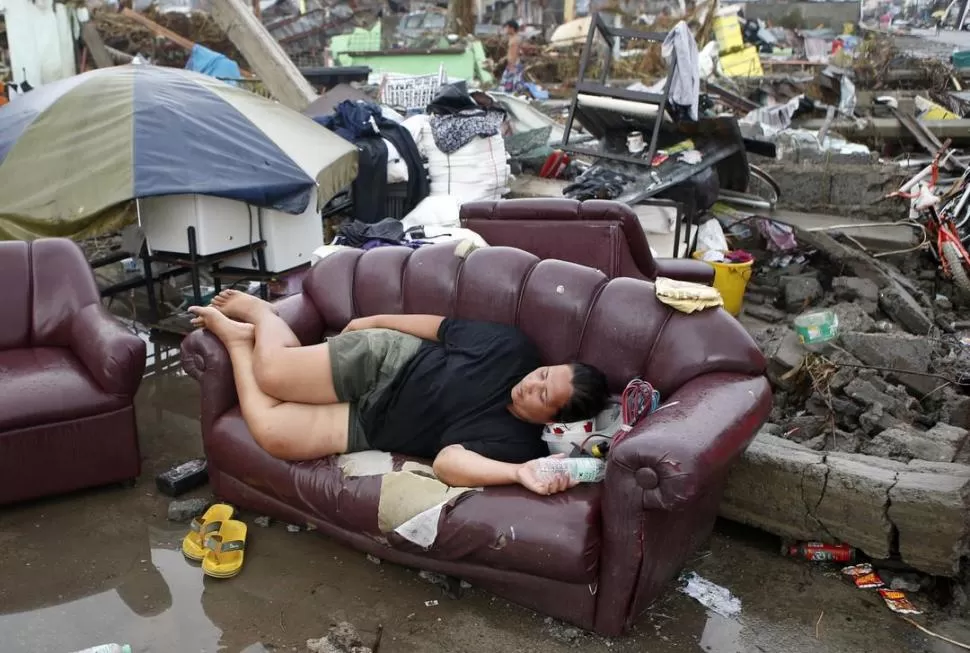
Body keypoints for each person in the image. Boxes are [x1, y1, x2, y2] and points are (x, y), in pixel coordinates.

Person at [188, 291, 610, 496]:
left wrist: (519, 473)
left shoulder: (517, 446)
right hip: (386, 362)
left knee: (271, 433)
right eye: (542, 375)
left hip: (374, 424)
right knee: (274, 374)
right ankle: (264, 312)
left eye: (542, 394)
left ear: (555, 419)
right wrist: (371, 321)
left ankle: (241, 340)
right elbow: (438, 327)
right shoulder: (512, 349)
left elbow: (448, 463)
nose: (530, 384)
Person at [501, 20, 524, 93]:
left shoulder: (515, 39)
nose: (506, 30)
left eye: (507, 28)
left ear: (512, 28)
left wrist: (512, 65)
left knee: (511, 83)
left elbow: (514, 53)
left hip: (513, 64)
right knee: (511, 83)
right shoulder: (512, 38)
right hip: (512, 63)